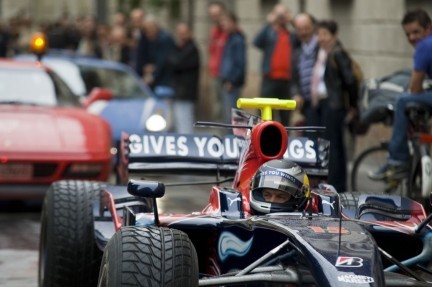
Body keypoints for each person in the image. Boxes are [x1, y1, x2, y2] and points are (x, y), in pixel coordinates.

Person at [369, 9, 432, 180]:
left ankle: (397, 160)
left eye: (416, 32)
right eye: (408, 34)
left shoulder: (424, 46)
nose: (412, 38)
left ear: (428, 28)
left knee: (403, 100)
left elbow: (415, 87)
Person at [309, 20, 358, 193]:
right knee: (326, 146)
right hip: (323, 104)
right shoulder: (323, 53)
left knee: (334, 147)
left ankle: (338, 186)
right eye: (319, 34)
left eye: (325, 34)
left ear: (334, 35)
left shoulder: (337, 53)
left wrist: (353, 105)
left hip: (334, 105)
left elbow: (350, 80)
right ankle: (330, 182)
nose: (321, 38)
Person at [253, 4, 296, 126]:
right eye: (278, 15)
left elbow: (301, 37)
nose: (281, 18)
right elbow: (256, 42)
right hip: (270, 78)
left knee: (285, 115)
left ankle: (284, 139)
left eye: (283, 15)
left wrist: (292, 21)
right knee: (265, 114)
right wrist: (268, 23)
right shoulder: (270, 32)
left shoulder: (292, 35)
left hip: (287, 80)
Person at [168, 22, 200, 134]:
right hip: (179, 92)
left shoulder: (191, 49)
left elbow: (176, 63)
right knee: (179, 120)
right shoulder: (179, 48)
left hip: (186, 92)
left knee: (185, 121)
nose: (182, 35)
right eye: (180, 33)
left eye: (184, 33)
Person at [219, 11, 246, 124]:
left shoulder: (237, 40)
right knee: (228, 114)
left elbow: (239, 63)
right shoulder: (230, 38)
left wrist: (232, 80)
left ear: (232, 22)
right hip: (227, 81)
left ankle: (233, 139)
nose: (223, 25)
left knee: (233, 116)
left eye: (225, 22)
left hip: (232, 83)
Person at [291, 13, 319, 123]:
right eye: (300, 29)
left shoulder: (322, 46)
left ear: (313, 27)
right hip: (306, 104)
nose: (304, 32)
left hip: (323, 104)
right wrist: (296, 94)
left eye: (306, 28)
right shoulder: (297, 51)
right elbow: (294, 78)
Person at [140, 17, 175, 90]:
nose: (147, 34)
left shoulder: (164, 39)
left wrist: (152, 76)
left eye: (148, 30)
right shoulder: (155, 39)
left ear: (154, 27)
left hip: (164, 82)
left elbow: (162, 62)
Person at [207, 1, 228, 121]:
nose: (215, 18)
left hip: (226, 75)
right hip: (215, 74)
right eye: (212, 16)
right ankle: (220, 136)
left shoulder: (229, 32)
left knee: (227, 109)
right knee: (217, 108)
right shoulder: (214, 31)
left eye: (217, 15)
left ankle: (229, 137)